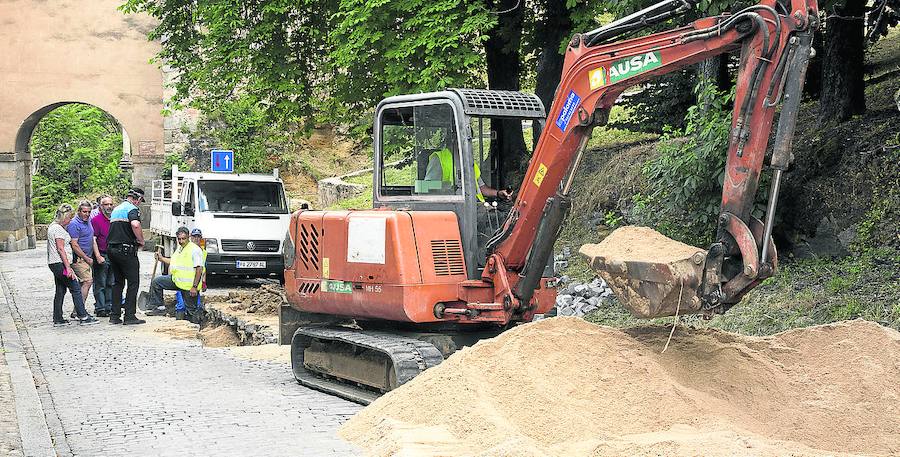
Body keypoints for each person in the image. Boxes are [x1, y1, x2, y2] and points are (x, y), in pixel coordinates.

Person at [47, 203, 98, 325]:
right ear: (64, 217)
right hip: (60, 263)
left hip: (54, 263)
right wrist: (68, 267)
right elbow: (61, 249)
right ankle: (82, 316)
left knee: (60, 290)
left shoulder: (53, 226)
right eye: (69, 218)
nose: (70, 221)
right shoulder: (58, 229)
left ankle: (58, 318)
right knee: (75, 287)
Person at [147, 226, 204, 324]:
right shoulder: (180, 248)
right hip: (176, 281)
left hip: (189, 286)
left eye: (183, 239)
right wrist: (161, 258)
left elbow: (199, 269)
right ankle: (159, 307)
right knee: (157, 282)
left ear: (188, 237)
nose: (181, 241)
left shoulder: (194, 250)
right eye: (179, 239)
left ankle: (195, 328)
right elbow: (173, 262)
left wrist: (194, 287)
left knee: (191, 311)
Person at [106, 188, 147, 325]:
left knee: (118, 283)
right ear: (138, 199)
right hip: (126, 250)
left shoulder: (117, 209)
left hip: (112, 250)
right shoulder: (132, 209)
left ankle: (114, 315)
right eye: (140, 201)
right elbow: (135, 224)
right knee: (133, 282)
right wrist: (141, 240)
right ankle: (129, 315)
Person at [424, 146, 512, 202]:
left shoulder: (470, 162)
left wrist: (498, 193)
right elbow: (426, 186)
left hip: (475, 207)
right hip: (451, 208)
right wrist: (449, 187)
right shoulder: (440, 158)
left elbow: (481, 188)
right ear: (455, 137)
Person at [173, 228, 208, 320]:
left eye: (198, 237)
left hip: (193, 284)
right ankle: (180, 324)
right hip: (182, 283)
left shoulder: (202, 252)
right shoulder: (183, 249)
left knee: (195, 306)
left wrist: (202, 283)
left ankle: (193, 323)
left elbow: (202, 269)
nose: (196, 239)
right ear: (190, 237)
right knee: (181, 305)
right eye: (194, 236)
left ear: (201, 238)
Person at [67, 201, 95, 316]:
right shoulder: (74, 224)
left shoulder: (88, 221)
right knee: (87, 281)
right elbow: (74, 244)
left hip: (87, 257)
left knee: (83, 284)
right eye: (84, 212)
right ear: (79, 211)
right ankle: (80, 311)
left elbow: (92, 238)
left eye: (89, 212)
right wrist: (85, 258)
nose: (87, 214)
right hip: (79, 258)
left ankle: (76, 310)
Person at [90, 195, 115, 317]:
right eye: (106, 204)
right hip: (102, 254)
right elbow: (93, 239)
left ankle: (109, 306)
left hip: (113, 255)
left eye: (111, 204)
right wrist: (98, 256)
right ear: (101, 206)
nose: (109, 207)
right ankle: (100, 308)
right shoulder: (96, 220)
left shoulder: (115, 219)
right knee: (100, 283)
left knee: (111, 282)